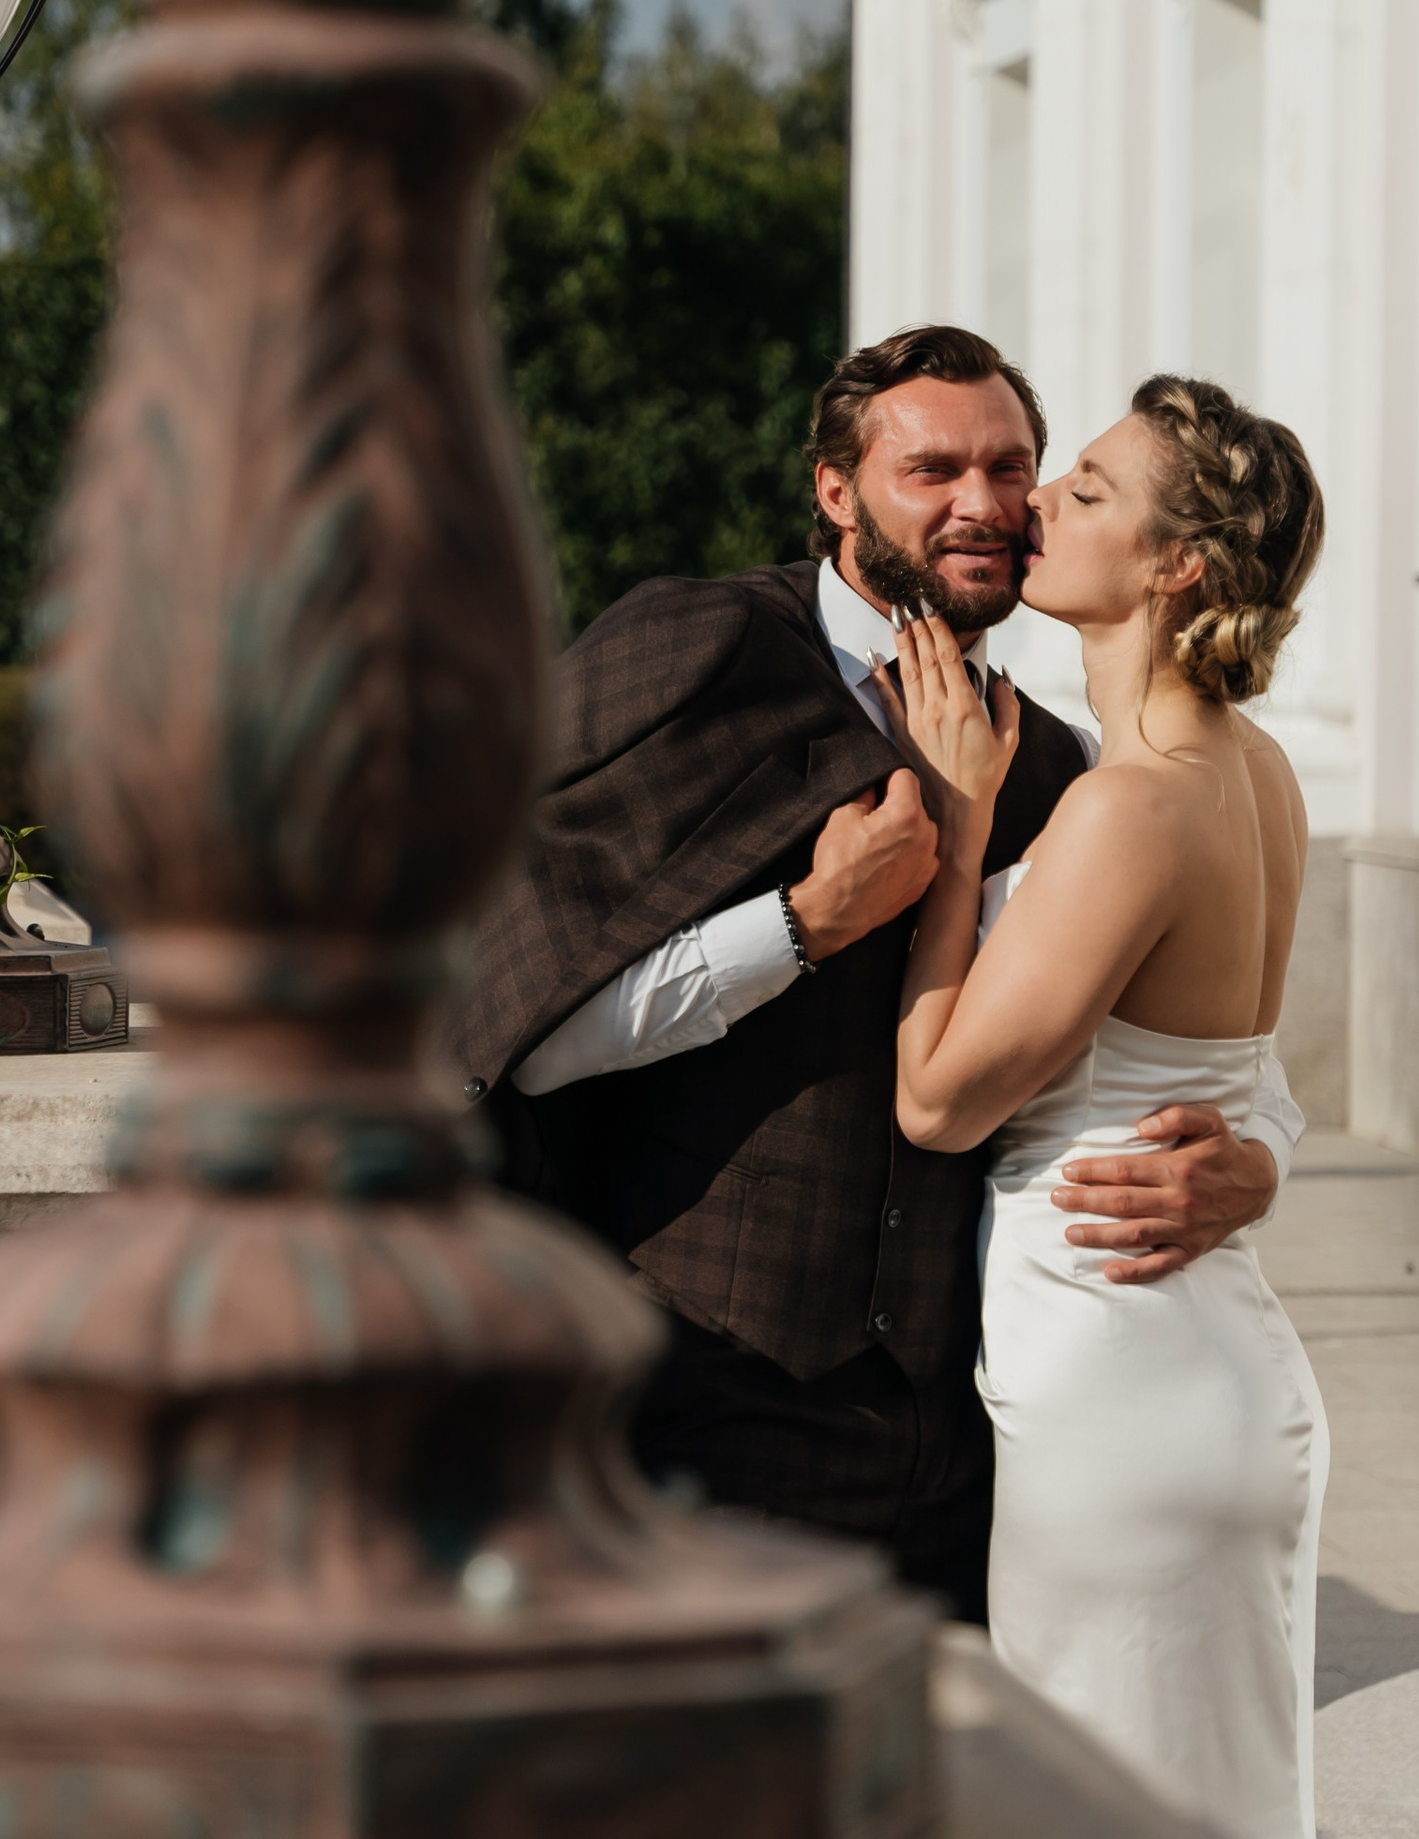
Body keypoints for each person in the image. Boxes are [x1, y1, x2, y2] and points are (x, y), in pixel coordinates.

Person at [455, 326, 1303, 1628]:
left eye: (1013, 467)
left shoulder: (1061, 766)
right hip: (706, 1400)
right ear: (837, 491)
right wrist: (802, 923)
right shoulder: (707, 649)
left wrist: (1258, 1159)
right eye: (932, 470)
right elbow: (524, 1025)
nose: (986, 504)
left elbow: (1194, 1028)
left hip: (966, 1440)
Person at [890, 374, 1329, 1839]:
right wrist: (1258, 1165)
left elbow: (937, 1100)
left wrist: (959, 830)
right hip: (1202, 1356)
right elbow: (1243, 1074)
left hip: (1117, 1368)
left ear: (1175, 566)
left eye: (1084, 490)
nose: (1036, 506)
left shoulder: (1133, 805)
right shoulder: (1258, 771)